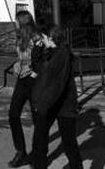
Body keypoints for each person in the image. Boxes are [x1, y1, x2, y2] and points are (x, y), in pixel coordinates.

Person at [31, 25, 83, 169]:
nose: (42, 40)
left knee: (68, 142)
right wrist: (37, 48)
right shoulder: (51, 52)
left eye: (44, 37)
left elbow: (56, 83)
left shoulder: (62, 55)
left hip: (63, 103)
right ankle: (39, 164)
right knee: (40, 136)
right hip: (50, 102)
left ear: (51, 38)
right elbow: (37, 68)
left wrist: (42, 104)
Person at [8, 10, 45, 167]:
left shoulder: (37, 37)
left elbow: (43, 57)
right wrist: (18, 64)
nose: (15, 23)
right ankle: (21, 151)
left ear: (22, 21)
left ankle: (39, 154)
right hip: (21, 80)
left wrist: (35, 73)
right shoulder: (20, 37)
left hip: (33, 80)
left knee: (38, 119)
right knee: (13, 114)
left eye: (17, 20)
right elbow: (21, 57)